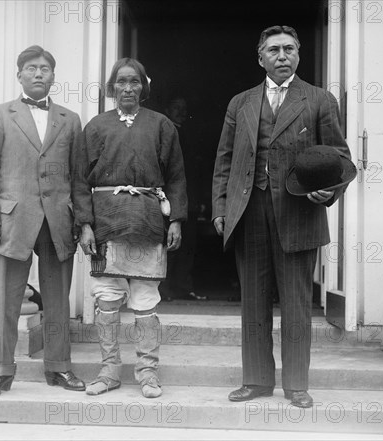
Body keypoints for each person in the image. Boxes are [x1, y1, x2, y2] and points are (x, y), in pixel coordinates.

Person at [212, 25, 352, 408]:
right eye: (273, 50)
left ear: (299, 55)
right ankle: (256, 380)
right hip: (249, 210)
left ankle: (296, 384)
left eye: (289, 48)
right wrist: (221, 209)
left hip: (299, 212)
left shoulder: (319, 100)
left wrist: (329, 191)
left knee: (295, 302)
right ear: (261, 58)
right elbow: (225, 160)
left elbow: (340, 157)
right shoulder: (240, 103)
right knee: (253, 301)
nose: (282, 56)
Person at [73, 58, 187, 398]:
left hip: (148, 221)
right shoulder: (95, 127)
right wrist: (84, 224)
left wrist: (177, 219)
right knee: (107, 298)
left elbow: (177, 176)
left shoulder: (162, 125)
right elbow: (79, 180)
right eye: (121, 82)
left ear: (143, 86)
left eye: (134, 82)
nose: (127, 88)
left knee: (145, 299)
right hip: (106, 223)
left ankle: (148, 371)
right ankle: (109, 371)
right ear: (112, 87)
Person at [0, 45, 85, 398]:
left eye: (46, 69)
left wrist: (81, 220)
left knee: (58, 301)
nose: (39, 73)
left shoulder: (70, 120)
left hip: (57, 222)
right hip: (10, 222)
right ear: (19, 74)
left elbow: (78, 177)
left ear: (54, 76)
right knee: (5, 302)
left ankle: (59, 368)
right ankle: (0, 372)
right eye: (32, 68)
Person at [159, 96, 206, 302]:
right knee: (169, 245)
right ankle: (165, 288)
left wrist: (200, 199)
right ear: (167, 108)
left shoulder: (190, 135)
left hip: (191, 199)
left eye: (183, 108)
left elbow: (195, 171)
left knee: (188, 246)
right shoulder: (164, 131)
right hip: (169, 199)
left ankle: (182, 287)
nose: (180, 112)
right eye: (176, 107)